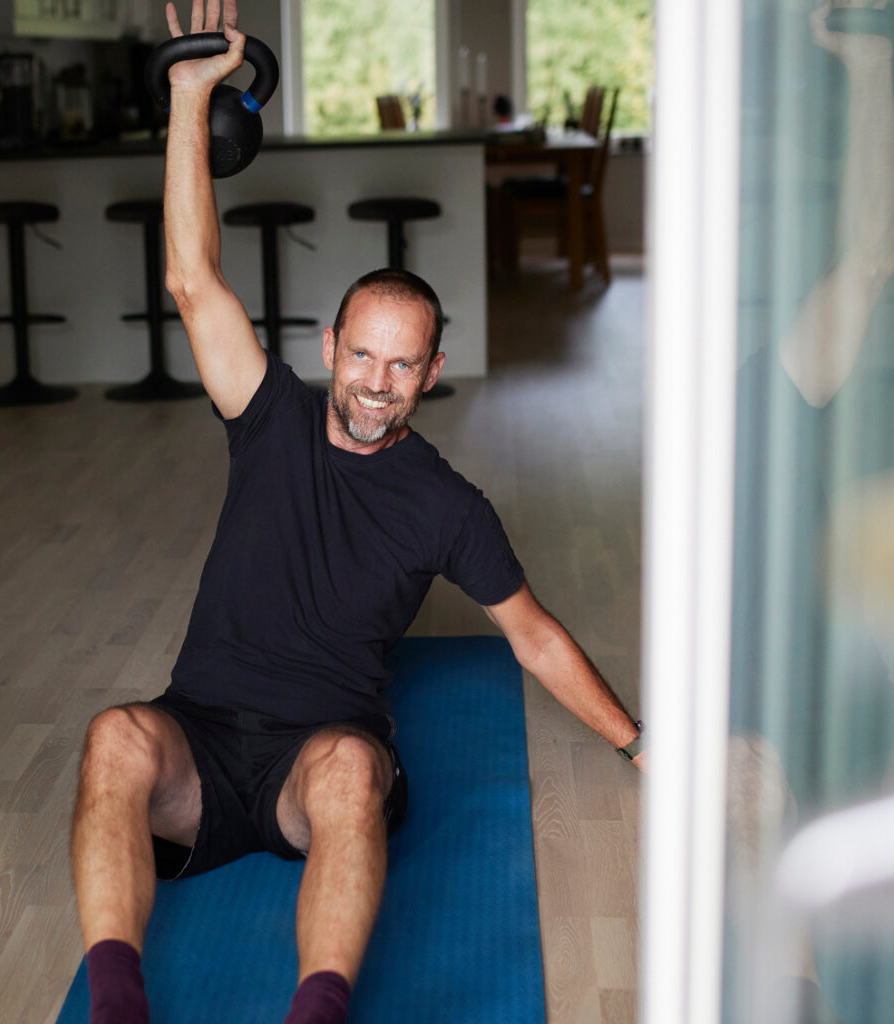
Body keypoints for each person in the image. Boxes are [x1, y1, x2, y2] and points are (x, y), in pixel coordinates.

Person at [67, 3, 643, 1022]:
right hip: (199, 743)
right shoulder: (267, 414)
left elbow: (535, 636)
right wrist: (190, 100)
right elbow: (191, 279)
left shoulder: (446, 504)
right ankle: (118, 1007)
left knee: (346, 773)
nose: (379, 382)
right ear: (331, 347)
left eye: (404, 363)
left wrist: (640, 748)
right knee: (114, 735)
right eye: (364, 355)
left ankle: (319, 1012)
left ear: (433, 372)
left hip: (318, 755)